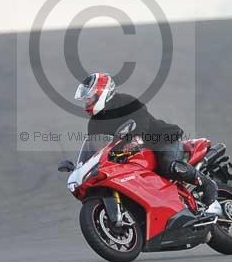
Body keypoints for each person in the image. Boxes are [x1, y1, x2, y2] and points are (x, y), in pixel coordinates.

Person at [74, 72, 221, 216]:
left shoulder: (126, 102)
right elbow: (97, 148)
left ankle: (209, 189)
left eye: (89, 98)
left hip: (161, 141)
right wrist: (83, 164)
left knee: (169, 166)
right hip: (131, 154)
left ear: (103, 93)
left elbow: (141, 124)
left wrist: (134, 140)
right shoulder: (94, 124)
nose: (87, 103)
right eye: (85, 100)